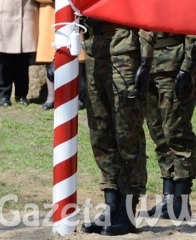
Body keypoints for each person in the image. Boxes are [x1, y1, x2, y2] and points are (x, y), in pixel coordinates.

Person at [80, 19, 155, 236]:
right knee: (100, 134)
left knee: (127, 134)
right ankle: (112, 204)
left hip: (125, 50)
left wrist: (146, 58)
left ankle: (128, 210)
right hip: (94, 49)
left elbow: (145, 10)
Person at [144, 34, 196, 220]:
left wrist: (187, 68)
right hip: (148, 65)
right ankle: (168, 196)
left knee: (176, 133)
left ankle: (181, 200)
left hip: (174, 65)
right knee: (159, 135)